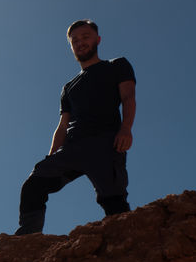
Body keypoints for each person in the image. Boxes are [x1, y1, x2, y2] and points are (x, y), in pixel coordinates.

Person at [16, 21, 136, 235]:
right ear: (71, 46)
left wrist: (126, 128)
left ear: (97, 40)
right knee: (34, 185)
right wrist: (52, 155)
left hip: (105, 144)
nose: (80, 42)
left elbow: (128, 97)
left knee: (115, 205)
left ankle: (128, 249)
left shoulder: (116, 66)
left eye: (85, 36)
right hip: (72, 149)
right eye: (75, 40)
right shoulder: (69, 87)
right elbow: (63, 125)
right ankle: (27, 240)